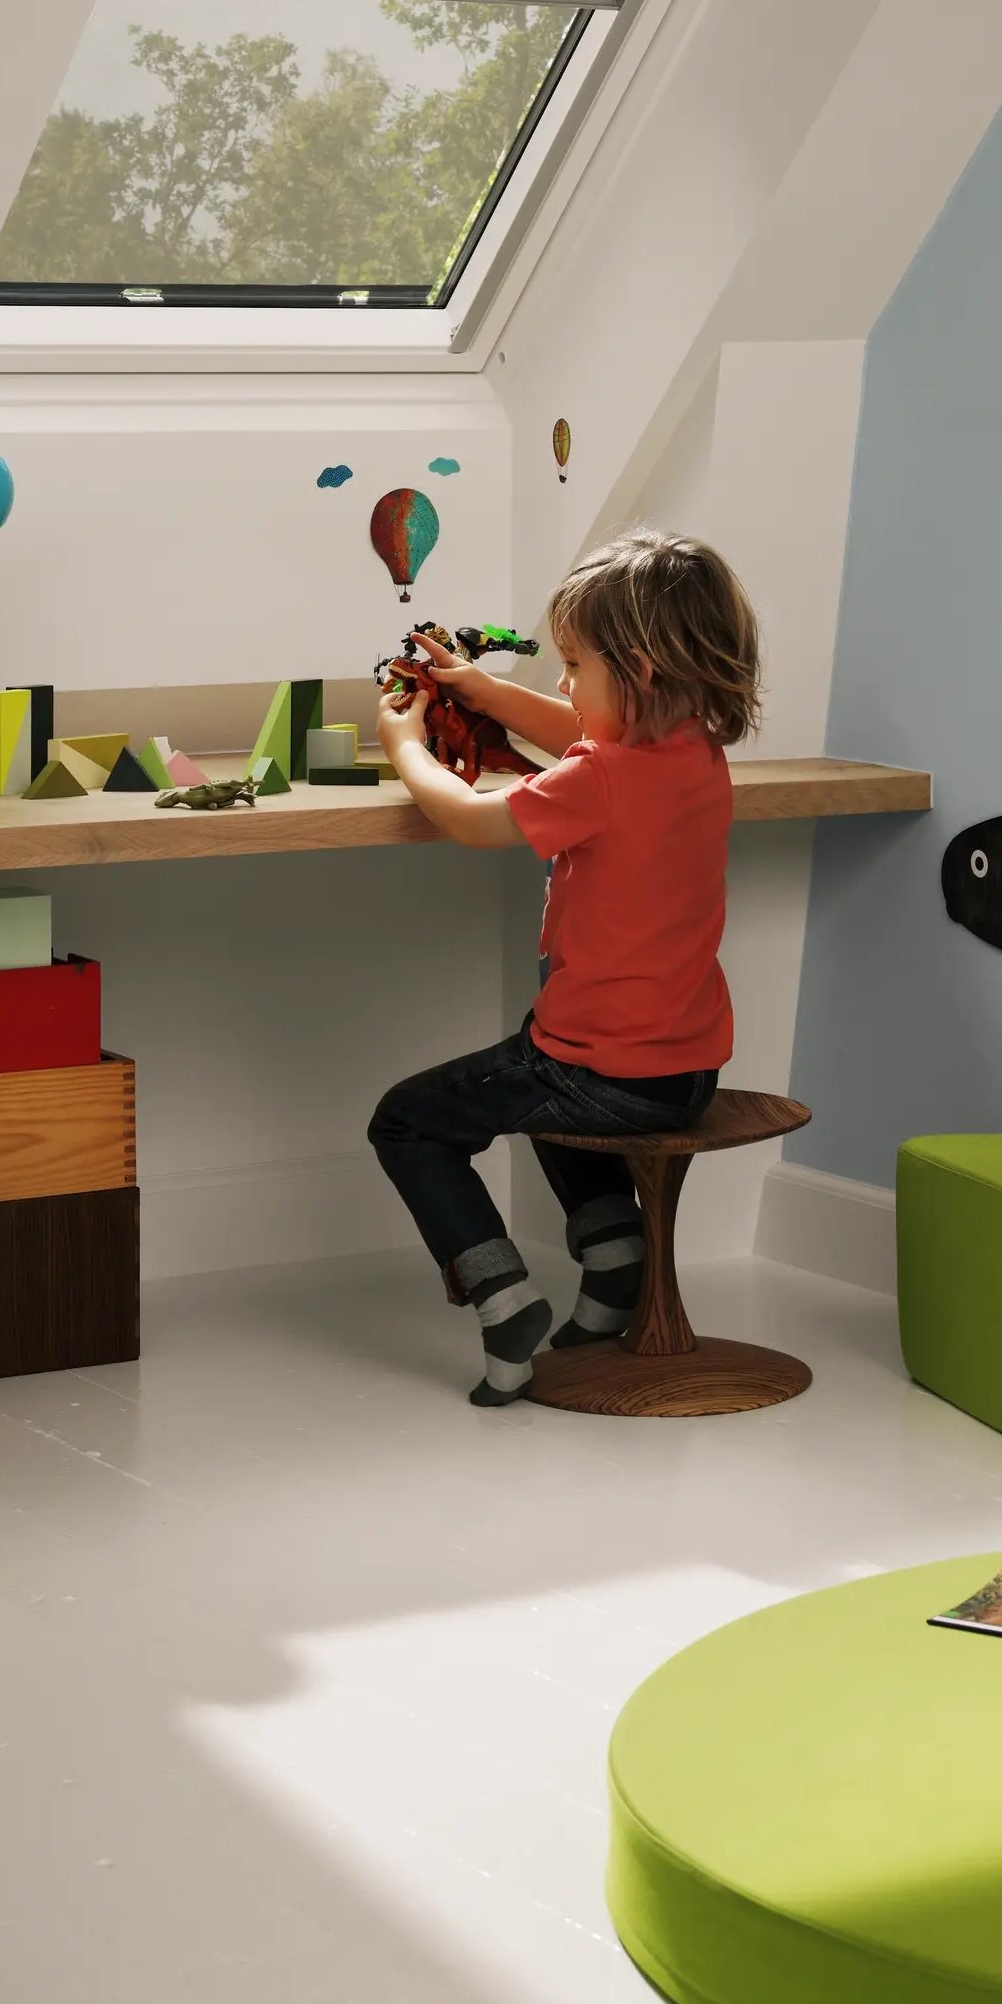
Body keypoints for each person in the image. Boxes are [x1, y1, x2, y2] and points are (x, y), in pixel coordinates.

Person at [368, 531, 759, 1403]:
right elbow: (586, 732)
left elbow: (470, 819)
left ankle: (501, 1296)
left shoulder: (603, 779)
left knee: (408, 1122)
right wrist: (482, 690)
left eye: (574, 666)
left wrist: (405, 745)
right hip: (683, 1067)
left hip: (601, 1069)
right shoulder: (693, 750)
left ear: (640, 672)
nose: (563, 685)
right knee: (539, 1069)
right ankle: (614, 1259)